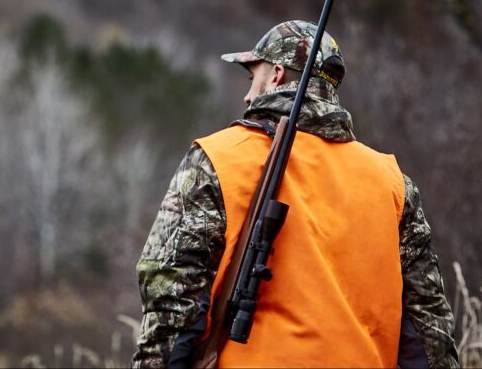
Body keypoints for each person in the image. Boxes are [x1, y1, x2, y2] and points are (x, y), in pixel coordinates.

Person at [131, 20, 459, 368]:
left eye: (251, 78)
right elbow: (429, 330)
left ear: (275, 74)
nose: (246, 94)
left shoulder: (216, 160)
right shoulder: (394, 185)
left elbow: (171, 300)